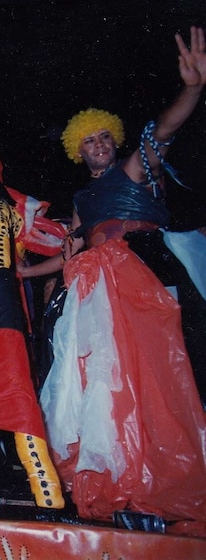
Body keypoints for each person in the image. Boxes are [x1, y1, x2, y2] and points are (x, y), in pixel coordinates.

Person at [23, 26, 206, 528]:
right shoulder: (82, 202)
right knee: (106, 391)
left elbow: (161, 133)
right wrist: (22, 270)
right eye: (88, 141)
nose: (98, 144)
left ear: (114, 141)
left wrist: (191, 89)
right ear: (76, 151)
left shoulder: (134, 171)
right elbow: (70, 254)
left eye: (104, 136)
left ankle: (165, 484)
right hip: (98, 297)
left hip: (146, 279)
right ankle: (124, 484)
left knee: (160, 382)